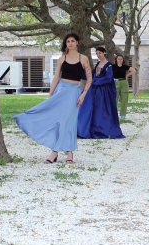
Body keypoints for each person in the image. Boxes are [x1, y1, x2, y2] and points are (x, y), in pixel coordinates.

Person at [14, 33, 92, 164]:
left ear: (77, 42)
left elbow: (89, 79)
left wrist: (83, 94)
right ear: (66, 44)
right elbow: (56, 78)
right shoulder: (62, 59)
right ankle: (63, 152)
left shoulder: (83, 58)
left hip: (74, 93)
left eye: (73, 41)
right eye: (68, 41)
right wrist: (50, 96)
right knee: (58, 121)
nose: (70, 43)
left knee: (68, 121)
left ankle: (60, 152)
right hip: (61, 91)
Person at [77, 47, 125, 139]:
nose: (98, 55)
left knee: (100, 110)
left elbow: (108, 78)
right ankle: (85, 129)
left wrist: (95, 81)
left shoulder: (108, 65)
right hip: (94, 89)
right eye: (97, 53)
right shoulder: (98, 63)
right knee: (86, 107)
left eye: (100, 53)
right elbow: (93, 73)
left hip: (103, 91)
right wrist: (84, 72)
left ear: (104, 52)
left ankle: (99, 130)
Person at [113, 54, 136, 120]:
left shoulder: (125, 66)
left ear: (123, 60)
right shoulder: (113, 66)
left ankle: (123, 115)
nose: (120, 60)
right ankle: (114, 115)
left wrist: (127, 75)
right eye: (118, 59)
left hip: (124, 83)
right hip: (116, 82)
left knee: (124, 99)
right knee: (114, 99)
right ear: (116, 60)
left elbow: (133, 70)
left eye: (121, 59)